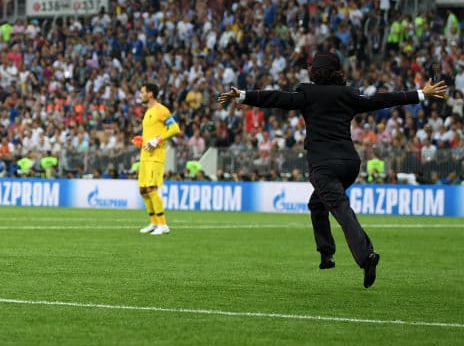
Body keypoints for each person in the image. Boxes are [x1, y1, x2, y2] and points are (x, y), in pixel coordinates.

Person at [218, 51, 447, 288]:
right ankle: (326, 254)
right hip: (349, 164)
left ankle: (366, 256)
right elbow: (381, 99)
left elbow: (278, 98)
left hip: (323, 166)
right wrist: (421, 93)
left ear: (315, 72)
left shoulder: (307, 92)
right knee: (317, 204)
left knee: (340, 209)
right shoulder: (348, 94)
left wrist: (243, 95)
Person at [135, 83, 181, 235]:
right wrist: (142, 140)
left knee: (151, 188)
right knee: (143, 190)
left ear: (150, 94)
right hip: (145, 155)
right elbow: (151, 133)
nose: (140, 95)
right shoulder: (148, 111)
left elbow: (175, 128)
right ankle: (154, 222)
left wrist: (157, 140)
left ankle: (163, 225)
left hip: (156, 156)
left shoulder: (161, 110)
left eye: (142, 92)